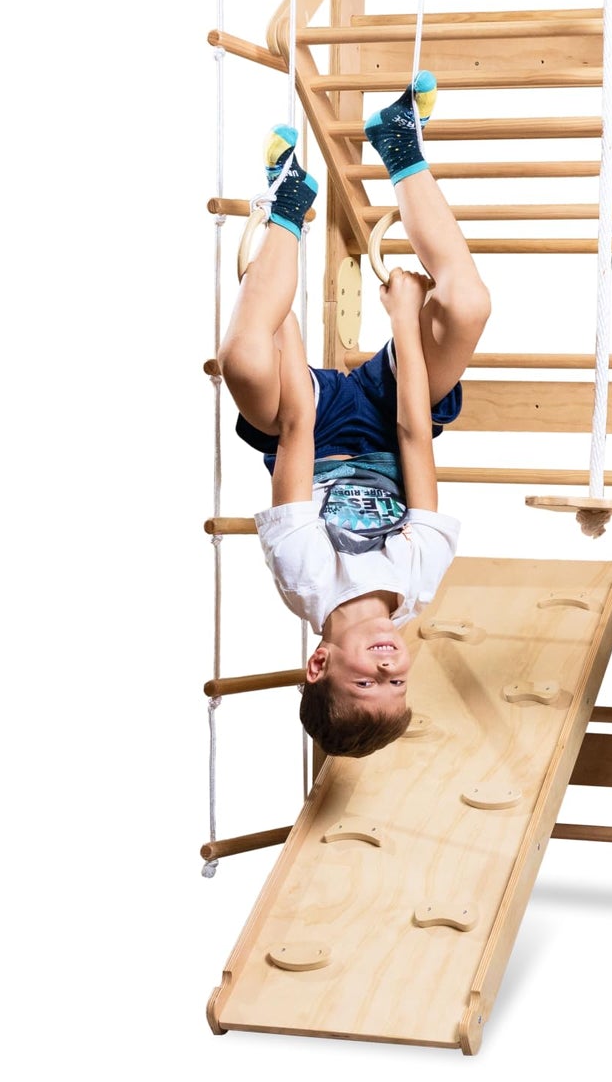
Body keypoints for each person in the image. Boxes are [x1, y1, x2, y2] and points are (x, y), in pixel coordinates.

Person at [215, 74, 491, 758]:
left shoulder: (305, 577)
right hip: (394, 419)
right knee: (468, 306)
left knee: (242, 360)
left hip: (311, 428)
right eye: (398, 683)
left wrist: (280, 325)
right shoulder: (419, 579)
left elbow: (297, 428)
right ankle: (399, 144)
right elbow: (415, 438)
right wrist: (404, 321)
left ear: (320, 663)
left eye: (367, 682)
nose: (389, 667)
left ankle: (288, 205)